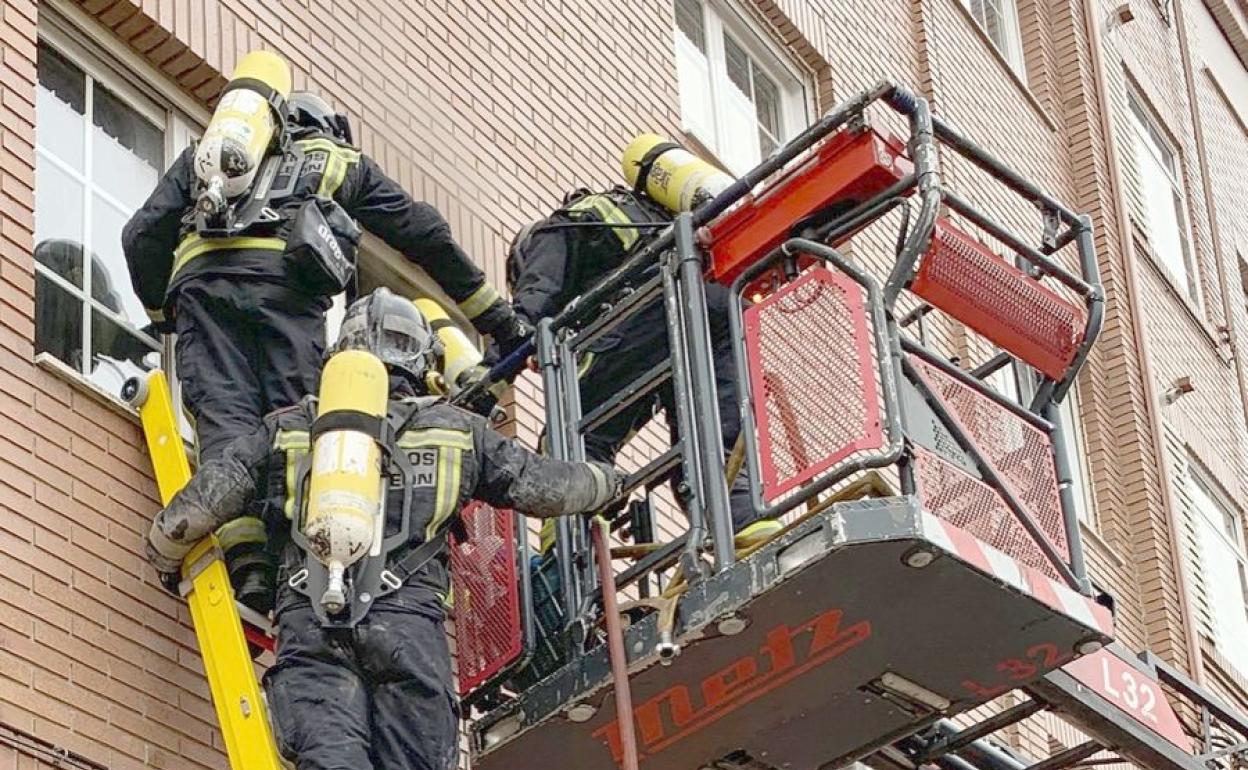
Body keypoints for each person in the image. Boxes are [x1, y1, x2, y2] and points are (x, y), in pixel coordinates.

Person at [145, 288, 622, 770]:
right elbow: (546, 489)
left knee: (331, 758)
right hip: (409, 626)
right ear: (422, 361)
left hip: (311, 619)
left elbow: (206, 500)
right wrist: (609, 482)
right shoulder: (458, 431)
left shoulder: (290, 427)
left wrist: (164, 550)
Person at [122, 90, 528, 465]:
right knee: (291, 426)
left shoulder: (204, 156)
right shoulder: (339, 158)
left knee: (224, 421)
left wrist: (163, 315)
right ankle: (282, 535)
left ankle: (240, 540)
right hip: (287, 296)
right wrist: (497, 319)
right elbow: (425, 234)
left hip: (203, 295)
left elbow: (141, 235)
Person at [508, 185, 777, 542]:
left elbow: (538, 291)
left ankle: (567, 552)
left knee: (573, 437)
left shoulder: (554, 231)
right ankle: (746, 528)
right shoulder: (648, 218)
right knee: (707, 441)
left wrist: (518, 335)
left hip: (651, 307)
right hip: (720, 305)